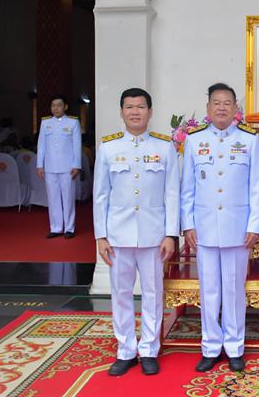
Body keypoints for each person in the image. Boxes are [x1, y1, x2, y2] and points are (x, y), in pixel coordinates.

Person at [93, 87, 179, 376]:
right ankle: (126, 349)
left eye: (140, 107)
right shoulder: (108, 147)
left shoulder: (164, 147)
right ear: (121, 112)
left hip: (154, 235)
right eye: (129, 107)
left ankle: (149, 349)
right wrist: (100, 236)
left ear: (150, 112)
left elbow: (172, 194)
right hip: (118, 234)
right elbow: (100, 195)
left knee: (154, 293)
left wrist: (171, 234)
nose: (134, 112)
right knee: (121, 293)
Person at [181, 82, 259, 372]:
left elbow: (256, 187)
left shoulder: (249, 141)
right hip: (203, 228)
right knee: (209, 290)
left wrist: (254, 223)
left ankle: (235, 346)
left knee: (233, 290)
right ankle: (210, 346)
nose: (221, 107)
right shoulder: (193, 141)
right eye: (216, 102)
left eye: (227, 103)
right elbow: (187, 188)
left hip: (238, 228)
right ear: (208, 108)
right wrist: (187, 224)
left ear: (235, 108)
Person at [37, 95, 81, 239]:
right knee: (53, 198)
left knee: (68, 198)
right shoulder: (45, 123)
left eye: (59, 105)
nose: (56, 108)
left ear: (65, 107)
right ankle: (55, 227)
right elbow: (41, 145)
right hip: (50, 167)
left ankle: (69, 228)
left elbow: (77, 145)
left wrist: (77, 165)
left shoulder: (73, 123)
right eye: (53, 105)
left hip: (67, 167)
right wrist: (39, 165)